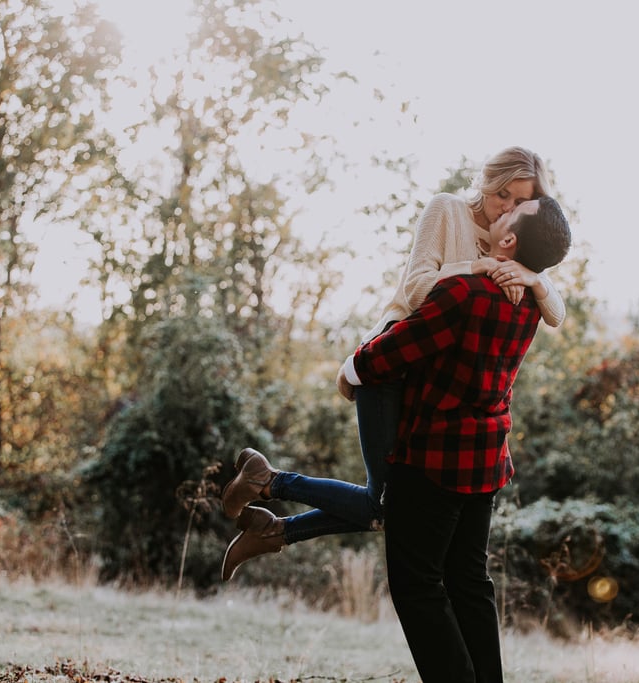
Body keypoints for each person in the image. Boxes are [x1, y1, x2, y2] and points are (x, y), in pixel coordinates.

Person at [222, 195, 571, 681]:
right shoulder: (528, 304)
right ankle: (274, 506)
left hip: (433, 459)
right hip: (486, 462)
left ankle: (273, 488)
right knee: (470, 582)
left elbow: (383, 358)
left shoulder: (463, 293)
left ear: (508, 240)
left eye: (508, 214)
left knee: (418, 587)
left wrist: (354, 365)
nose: (497, 214)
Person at [220, 147, 567, 562]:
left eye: (518, 202)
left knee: (389, 506)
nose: (505, 208)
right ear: (488, 182)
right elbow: (417, 289)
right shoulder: (447, 210)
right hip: (393, 359)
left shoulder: (514, 243)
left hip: (431, 383)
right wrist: (479, 268)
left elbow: (555, 314)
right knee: (388, 506)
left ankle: (273, 521)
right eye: (502, 195)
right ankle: (273, 487)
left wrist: (534, 278)